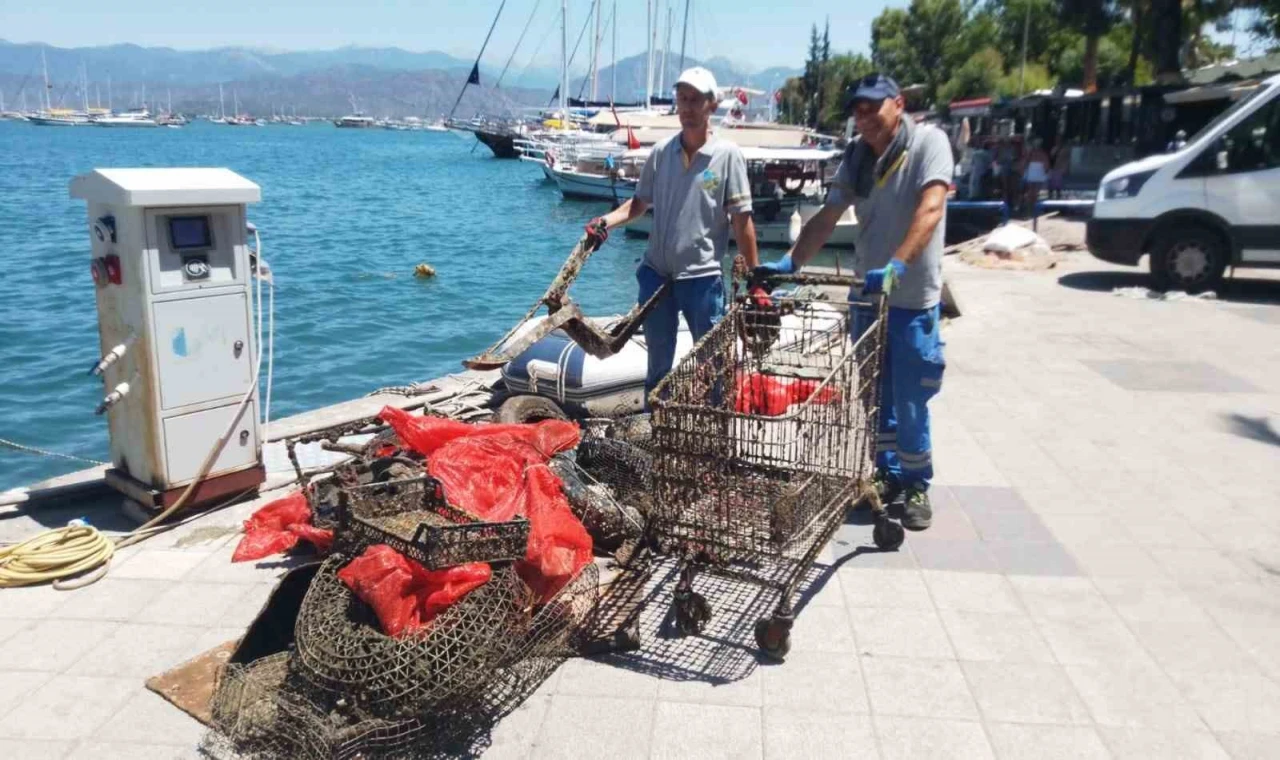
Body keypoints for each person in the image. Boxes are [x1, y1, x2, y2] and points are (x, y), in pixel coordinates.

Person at [754, 73, 951, 531]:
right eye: (857, 110)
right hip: (867, 298)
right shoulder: (858, 157)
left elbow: (932, 208)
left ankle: (917, 482)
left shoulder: (928, 144)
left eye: (873, 107)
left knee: (911, 396)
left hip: (911, 299)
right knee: (874, 396)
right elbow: (828, 215)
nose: (864, 118)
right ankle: (886, 474)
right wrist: (791, 262)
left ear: (897, 104)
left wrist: (899, 266)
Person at [584, 66, 759, 403]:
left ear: (711, 105)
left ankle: (715, 427)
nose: (688, 108)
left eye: (695, 100)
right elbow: (638, 204)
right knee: (658, 366)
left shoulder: (727, 157)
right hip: (656, 277)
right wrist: (605, 221)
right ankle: (656, 427)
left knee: (713, 365)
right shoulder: (661, 153)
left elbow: (742, 221)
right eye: (682, 99)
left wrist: (756, 279)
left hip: (702, 279)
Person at [1020, 137, 1050, 215]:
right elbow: (1046, 164)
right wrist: (1046, 172)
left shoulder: (1030, 153)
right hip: (1039, 172)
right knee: (1036, 192)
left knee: (1030, 191)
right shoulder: (1043, 154)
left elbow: (1025, 163)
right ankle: (1035, 208)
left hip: (1032, 172)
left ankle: (1030, 208)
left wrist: (1023, 171)